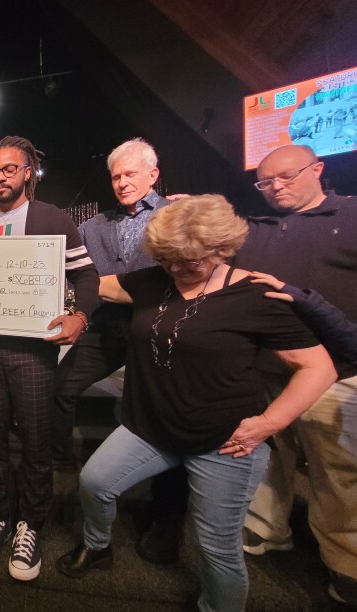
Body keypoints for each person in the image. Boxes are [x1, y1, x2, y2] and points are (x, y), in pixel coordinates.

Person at [55, 194, 336, 612]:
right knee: (94, 483)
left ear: (221, 249)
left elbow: (318, 368)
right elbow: (95, 282)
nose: (178, 270)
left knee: (216, 549)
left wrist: (269, 423)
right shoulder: (153, 280)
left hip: (223, 442)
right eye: (168, 260)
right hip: (148, 428)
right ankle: (98, 545)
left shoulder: (255, 295)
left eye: (191, 262)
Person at [0, 136, 99, 582]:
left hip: (34, 352)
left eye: (9, 169)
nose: (0, 176)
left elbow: (87, 274)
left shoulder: (51, 218)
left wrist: (81, 316)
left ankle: (30, 523)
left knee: (37, 441)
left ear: (27, 174)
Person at [233, 144, 357, 606]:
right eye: (265, 182)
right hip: (266, 365)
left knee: (337, 469)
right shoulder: (257, 227)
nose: (276, 187)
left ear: (317, 169)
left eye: (285, 177)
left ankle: (346, 560)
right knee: (265, 453)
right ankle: (268, 528)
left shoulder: (351, 215)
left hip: (336, 370)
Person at [53, 138, 170, 469]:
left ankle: (148, 480)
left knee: (149, 408)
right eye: (116, 177)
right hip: (104, 329)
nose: (122, 183)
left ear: (153, 174)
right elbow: (61, 266)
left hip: (156, 330)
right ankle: (60, 463)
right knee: (59, 388)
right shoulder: (92, 226)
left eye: (130, 174)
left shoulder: (177, 215)